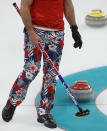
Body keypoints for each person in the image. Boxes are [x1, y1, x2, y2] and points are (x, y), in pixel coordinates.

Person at [2, 0, 82, 129]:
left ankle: (44, 112)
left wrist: (74, 29)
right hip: (35, 30)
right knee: (31, 70)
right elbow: (25, 6)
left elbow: (67, 4)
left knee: (51, 74)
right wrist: (30, 32)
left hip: (56, 33)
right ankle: (13, 101)